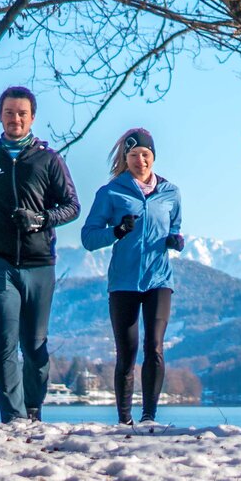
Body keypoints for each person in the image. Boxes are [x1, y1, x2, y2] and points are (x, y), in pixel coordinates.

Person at [0, 85, 79, 423]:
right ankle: (12, 417)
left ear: (32, 117)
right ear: (1, 116)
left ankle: (33, 409)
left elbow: (72, 207)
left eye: (22, 113)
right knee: (3, 341)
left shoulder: (49, 160)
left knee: (35, 346)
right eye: (9, 112)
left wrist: (41, 219)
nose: (15, 118)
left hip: (40, 264)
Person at [81, 127, 183, 425]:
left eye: (146, 155)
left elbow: (174, 228)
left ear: (154, 157)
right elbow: (88, 238)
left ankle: (149, 417)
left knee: (155, 346)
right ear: (126, 158)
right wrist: (116, 231)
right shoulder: (110, 193)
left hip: (159, 280)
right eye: (135, 155)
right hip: (123, 282)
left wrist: (175, 241)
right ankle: (124, 419)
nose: (141, 160)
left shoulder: (171, 193)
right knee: (127, 352)